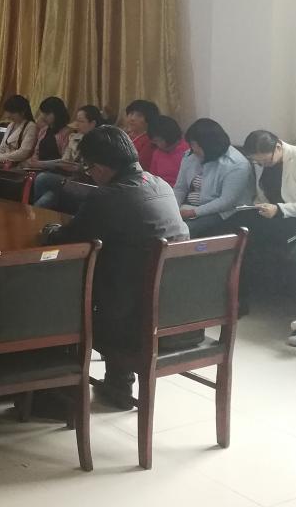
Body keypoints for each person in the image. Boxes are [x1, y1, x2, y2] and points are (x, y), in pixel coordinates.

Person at [40, 126, 190, 409]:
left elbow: (70, 240)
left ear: (99, 167)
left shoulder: (108, 197)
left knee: (60, 297)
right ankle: (117, 384)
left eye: (88, 168)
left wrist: (49, 231)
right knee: (121, 274)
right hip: (177, 308)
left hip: (131, 318)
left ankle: (55, 394)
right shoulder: (161, 185)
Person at [241, 130, 296, 344]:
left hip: (295, 219)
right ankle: (236, 299)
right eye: (258, 163)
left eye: (265, 161)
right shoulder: (264, 163)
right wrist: (260, 204)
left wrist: (280, 209)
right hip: (275, 218)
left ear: (278, 146)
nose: (262, 165)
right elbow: (263, 193)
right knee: (238, 233)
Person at [173, 118, 254, 238]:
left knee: (184, 230)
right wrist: (172, 210)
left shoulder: (237, 164)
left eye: (194, 145)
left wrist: (192, 212)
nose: (192, 149)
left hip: (223, 212)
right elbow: (180, 188)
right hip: (190, 206)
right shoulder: (190, 156)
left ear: (208, 145)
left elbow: (226, 202)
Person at [31, 104, 106, 208]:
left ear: (92, 123)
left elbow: (98, 171)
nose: (77, 124)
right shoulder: (75, 137)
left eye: (81, 121)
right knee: (49, 195)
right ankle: (35, 213)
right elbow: (65, 160)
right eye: (77, 120)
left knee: (43, 178)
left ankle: (35, 213)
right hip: (72, 179)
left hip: (89, 184)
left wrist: (79, 168)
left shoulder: (101, 142)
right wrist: (66, 164)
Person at [0, 94, 37, 163]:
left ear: (23, 112)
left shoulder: (31, 126)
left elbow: (24, 153)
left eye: (12, 112)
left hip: (18, 164)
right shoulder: (11, 125)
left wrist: (0, 158)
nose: (8, 115)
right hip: (4, 162)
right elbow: (2, 148)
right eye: (8, 112)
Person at [148, 115, 191, 187]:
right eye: (155, 141)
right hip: (161, 189)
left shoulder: (188, 150)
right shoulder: (157, 153)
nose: (158, 144)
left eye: (159, 140)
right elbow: (153, 178)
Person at [29, 96, 71, 163]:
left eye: (47, 114)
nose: (43, 116)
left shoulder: (67, 133)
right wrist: (33, 162)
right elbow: (36, 152)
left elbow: (65, 161)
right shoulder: (43, 130)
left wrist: (41, 164)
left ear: (57, 113)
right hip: (38, 166)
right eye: (43, 113)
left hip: (56, 167)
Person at [124, 99, 160, 172]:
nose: (132, 118)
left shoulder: (150, 141)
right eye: (131, 113)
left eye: (139, 115)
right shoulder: (125, 135)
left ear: (149, 119)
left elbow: (140, 167)